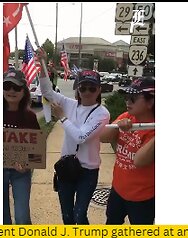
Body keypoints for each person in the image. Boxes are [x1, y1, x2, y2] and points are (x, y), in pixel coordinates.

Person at [37, 49, 110, 225]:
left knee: (79, 215)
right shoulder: (70, 104)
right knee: (67, 217)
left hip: (88, 172)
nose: (87, 92)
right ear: (77, 88)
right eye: (83, 87)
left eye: (92, 88)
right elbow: (47, 92)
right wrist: (42, 65)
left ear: (99, 90)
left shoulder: (102, 113)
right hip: (66, 167)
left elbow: (80, 137)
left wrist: (62, 117)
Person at [99, 77, 155, 224]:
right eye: (126, 96)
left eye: (134, 98)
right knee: (112, 223)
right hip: (118, 189)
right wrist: (118, 124)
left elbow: (139, 161)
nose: (128, 101)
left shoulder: (153, 131)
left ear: (150, 102)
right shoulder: (127, 116)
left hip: (142, 197)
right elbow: (103, 137)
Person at [3, 69, 40, 225]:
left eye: (16, 87)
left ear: (23, 91)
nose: (11, 90)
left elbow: (38, 151)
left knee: (22, 217)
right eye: (7, 86)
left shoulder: (30, 116)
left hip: (21, 173)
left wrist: (27, 165)